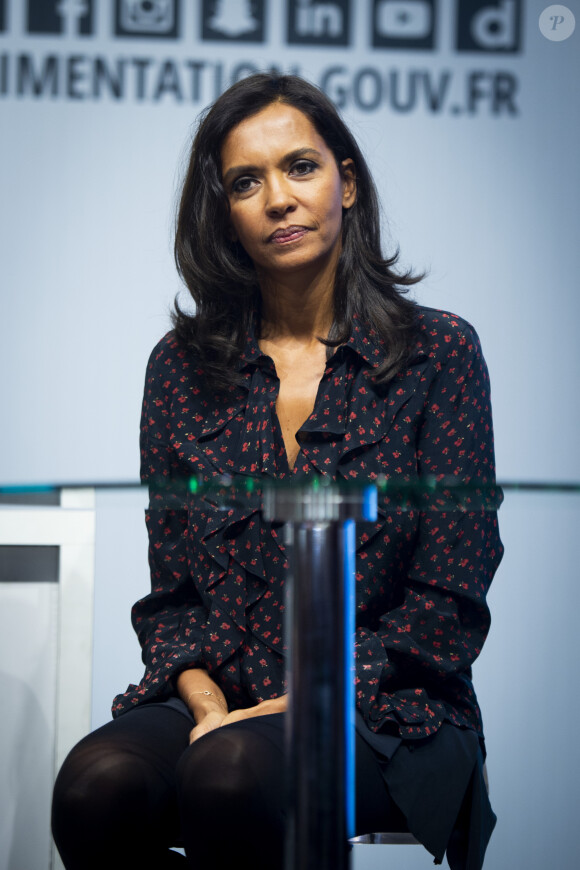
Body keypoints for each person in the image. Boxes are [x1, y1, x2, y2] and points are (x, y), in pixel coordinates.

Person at [51, 73, 503, 870]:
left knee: (230, 774)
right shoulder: (180, 368)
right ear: (224, 212)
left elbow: (450, 598)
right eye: (245, 182)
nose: (278, 199)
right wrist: (208, 703)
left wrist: (294, 705)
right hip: (217, 695)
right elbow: (174, 595)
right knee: (95, 788)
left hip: (389, 706)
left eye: (301, 167)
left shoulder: (440, 350)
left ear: (348, 183)